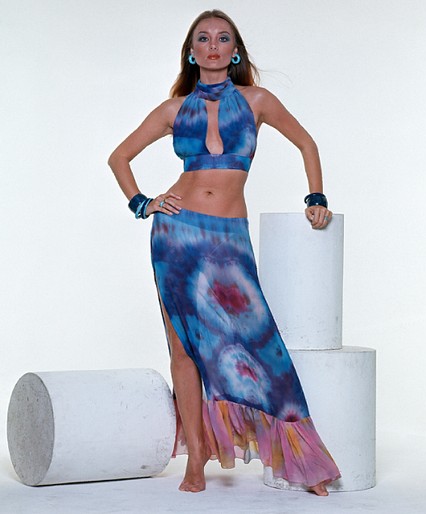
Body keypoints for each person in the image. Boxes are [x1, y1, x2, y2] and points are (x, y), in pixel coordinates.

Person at [108, 9, 340, 496]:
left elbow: (307, 143)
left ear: (235, 52)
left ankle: (301, 459)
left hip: (229, 236)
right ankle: (196, 459)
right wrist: (143, 203)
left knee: (261, 344)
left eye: (223, 38)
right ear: (192, 52)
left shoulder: (258, 101)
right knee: (183, 348)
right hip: (176, 236)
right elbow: (119, 157)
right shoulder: (173, 109)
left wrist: (316, 197)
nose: (213, 46)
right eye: (203, 39)